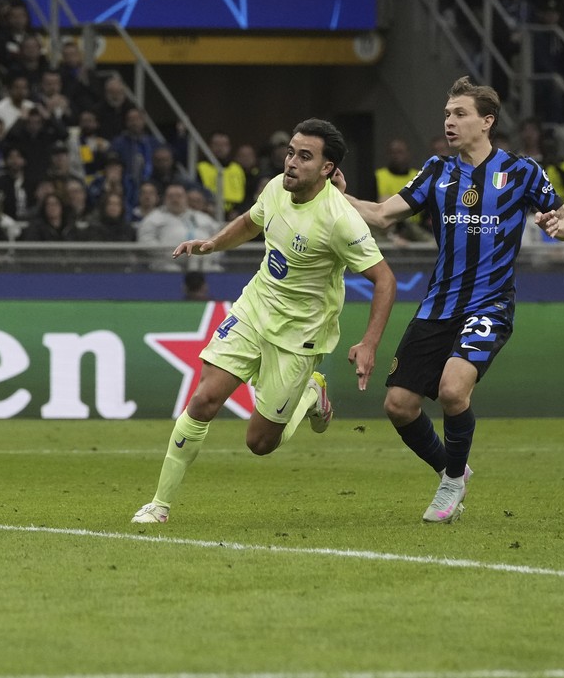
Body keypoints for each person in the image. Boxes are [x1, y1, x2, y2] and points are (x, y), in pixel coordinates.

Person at [333, 79, 564, 523]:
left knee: (452, 389)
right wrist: (335, 192)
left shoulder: (522, 171)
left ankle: (449, 484)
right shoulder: (436, 171)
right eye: (447, 114)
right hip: (438, 304)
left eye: (460, 113)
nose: (449, 121)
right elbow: (381, 216)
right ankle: (454, 469)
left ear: (487, 121)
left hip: (490, 304)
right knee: (398, 405)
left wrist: (562, 228)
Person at [131, 119, 397, 525]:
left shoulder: (340, 219)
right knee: (203, 400)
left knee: (259, 442)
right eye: (291, 152)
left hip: (299, 335)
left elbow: (385, 280)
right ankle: (159, 505)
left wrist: (370, 343)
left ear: (327, 168)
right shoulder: (275, 187)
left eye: (304, 156)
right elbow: (251, 222)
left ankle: (311, 394)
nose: (291, 162)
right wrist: (212, 244)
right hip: (254, 310)